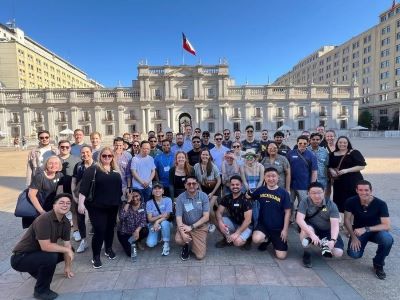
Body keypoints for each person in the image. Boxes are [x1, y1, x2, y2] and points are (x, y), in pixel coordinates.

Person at [11, 193, 75, 300]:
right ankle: (41, 291)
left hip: (37, 253)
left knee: (68, 250)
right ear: (54, 205)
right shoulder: (44, 219)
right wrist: (66, 250)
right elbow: (46, 246)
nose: (65, 205)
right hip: (20, 258)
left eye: (68, 203)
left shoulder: (65, 222)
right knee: (51, 256)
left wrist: (67, 267)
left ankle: (38, 272)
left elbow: (67, 245)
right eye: (61, 203)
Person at [78, 147, 122, 269]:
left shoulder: (115, 171)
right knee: (99, 230)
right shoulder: (93, 169)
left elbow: (118, 189)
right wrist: (81, 204)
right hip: (96, 206)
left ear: (113, 157)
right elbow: (84, 189)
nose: (107, 158)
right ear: (100, 156)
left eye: (109, 156)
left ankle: (108, 249)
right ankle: (96, 256)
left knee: (109, 229)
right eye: (104, 156)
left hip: (113, 206)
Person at [344, 180, 393, 280]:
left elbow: (387, 226)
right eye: (360, 190)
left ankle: (378, 263)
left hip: (376, 231)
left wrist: (366, 229)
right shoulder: (351, 201)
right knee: (354, 254)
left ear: (371, 191)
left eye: (366, 190)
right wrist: (353, 237)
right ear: (356, 190)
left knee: (387, 239)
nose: (363, 192)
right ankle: (358, 243)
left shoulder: (381, 204)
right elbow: (347, 220)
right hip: (358, 232)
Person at [296, 182, 343, 268]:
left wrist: (332, 240)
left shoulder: (331, 205)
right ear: (308, 193)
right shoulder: (305, 201)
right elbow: (299, 219)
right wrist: (312, 235)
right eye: (313, 193)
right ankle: (307, 253)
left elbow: (335, 225)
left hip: (326, 230)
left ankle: (323, 243)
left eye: (319, 192)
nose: (317, 196)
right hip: (312, 228)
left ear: (324, 192)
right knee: (305, 230)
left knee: (338, 253)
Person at [251, 167, 291, 259]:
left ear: (278, 178)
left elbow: (288, 212)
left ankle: (273, 240)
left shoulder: (283, 193)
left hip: (278, 228)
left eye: (273, 176)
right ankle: (267, 239)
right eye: (268, 176)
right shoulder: (260, 190)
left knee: (281, 256)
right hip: (263, 225)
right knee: (256, 239)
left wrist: (285, 230)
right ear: (264, 178)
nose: (271, 179)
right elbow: (250, 198)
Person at [24, 156, 64, 229]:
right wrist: (42, 211)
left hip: (54, 209)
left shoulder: (60, 175)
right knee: (42, 232)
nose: (53, 165)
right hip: (41, 209)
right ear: (46, 165)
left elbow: (60, 193)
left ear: (59, 165)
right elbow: (31, 195)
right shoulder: (40, 177)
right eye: (50, 163)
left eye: (56, 163)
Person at [175, 176, 210, 260]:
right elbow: (178, 217)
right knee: (179, 239)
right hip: (185, 226)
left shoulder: (203, 196)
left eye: (194, 183)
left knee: (200, 256)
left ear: (197, 185)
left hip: (199, 227)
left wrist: (191, 227)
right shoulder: (180, 198)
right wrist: (182, 233)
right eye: (189, 184)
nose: (191, 186)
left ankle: (194, 242)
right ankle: (186, 245)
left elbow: (206, 217)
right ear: (185, 185)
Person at [328, 136, 366, 213]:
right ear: (337, 143)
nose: (342, 144)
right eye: (340, 142)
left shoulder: (354, 152)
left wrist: (347, 170)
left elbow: (362, 166)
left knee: (354, 201)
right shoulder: (332, 154)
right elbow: (329, 166)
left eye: (345, 142)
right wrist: (331, 170)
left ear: (348, 143)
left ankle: (354, 221)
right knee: (340, 202)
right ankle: (343, 222)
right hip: (339, 183)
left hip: (353, 181)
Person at [215, 175, 252, 249]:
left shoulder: (246, 199)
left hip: (246, 225)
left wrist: (237, 233)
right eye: (233, 185)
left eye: (237, 184)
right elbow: (218, 212)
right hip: (234, 222)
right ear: (229, 185)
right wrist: (220, 222)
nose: (235, 186)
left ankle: (248, 239)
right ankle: (227, 238)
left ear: (241, 186)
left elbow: (248, 221)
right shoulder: (227, 197)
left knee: (237, 242)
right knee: (218, 221)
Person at [287, 135, 318, 221]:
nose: (302, 145)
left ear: (308, 143)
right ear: (297, 143)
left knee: (303, 204)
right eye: (300, 143)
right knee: (289, 203)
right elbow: (286, 169)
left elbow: (314, 172)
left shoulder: (311, 155)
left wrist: (312, 186)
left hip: (304, 186)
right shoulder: (290, 153)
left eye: (305, 143)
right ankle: (290, 219)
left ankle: (301, 221)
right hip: (291, 185)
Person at [71, 145, 95, 253]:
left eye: (87, 152)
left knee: (96, 219)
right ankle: (83, 240)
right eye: (83, 153)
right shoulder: (78, 166)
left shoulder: (97, 165)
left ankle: (100, 239)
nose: (85, 154)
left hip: (95, 197)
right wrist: (74, 194)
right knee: (80, 219)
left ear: (91, 152)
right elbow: (74, 181)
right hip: (80, 196)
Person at [193, 149, 221, 232]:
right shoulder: (196, 166)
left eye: (206, 155)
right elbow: (197, 180)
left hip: (214, 189)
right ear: (200, 155)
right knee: (203, 207)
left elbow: (219, 180)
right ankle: (208, 222)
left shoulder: (213, 166)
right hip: (203, 189)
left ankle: (216, 224)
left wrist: (212, 193)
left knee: (208, 208)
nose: (204, 156)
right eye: (203, 154)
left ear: (209, 156)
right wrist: (200, 191)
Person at [58, 140, 80, 239]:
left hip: (71, 189)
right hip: (57, 190)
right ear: (59, 147)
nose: (64, 149)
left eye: (67, 147)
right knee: (59, 212)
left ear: (70, 148)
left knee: (74, 211)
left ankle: (75, 230)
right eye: (62, 147)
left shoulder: (76, 159)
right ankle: (60, 232)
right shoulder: (54, 159)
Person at [117, 189, 149, 257]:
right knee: (132, 254)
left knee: (145, 230)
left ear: (140, 196)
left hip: (136, 232)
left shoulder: (143, 204)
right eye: (132, 197)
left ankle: (137, 241)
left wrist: (137, 231)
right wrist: (128, 202)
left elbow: (143, 220)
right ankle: (131, 241)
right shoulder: (124, 204)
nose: (134, 199)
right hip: (124, 233)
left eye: (136, 196)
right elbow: (122, 217)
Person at [146, 183, 173, 255]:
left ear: (163, 191)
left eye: (159, 188)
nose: (157, 190)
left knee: (164, 223)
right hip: (153, 225)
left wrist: (157, 221)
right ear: (152, 192)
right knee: (150, 244)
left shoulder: (168, 200)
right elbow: (149, 219)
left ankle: (166, 243)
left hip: (166, 223)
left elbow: (167, 216)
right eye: (155, 188)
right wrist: (160, 216)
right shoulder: (149, 203)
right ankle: (159, 235)